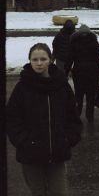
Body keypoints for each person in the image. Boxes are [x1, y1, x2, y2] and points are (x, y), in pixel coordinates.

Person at [6, 43, 82, 196]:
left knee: (59, 192)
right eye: (35, 59)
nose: (39, 63)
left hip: (57, 153)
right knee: (38, 192)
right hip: (30, 155)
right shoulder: (22, 88)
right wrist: (24, 141)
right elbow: (12, 119)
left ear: (50, 60)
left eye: (43, 59)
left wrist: (68, 138)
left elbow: (73, 116)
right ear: (29, 61)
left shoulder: (61, 85)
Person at [67, 24, 99, 123]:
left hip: (78, 71)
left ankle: (77, 114)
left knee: (79, 95)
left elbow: (70, 58)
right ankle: (90, 116)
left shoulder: (74, 43)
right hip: (93, 72)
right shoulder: (94, 42)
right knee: (91, 95)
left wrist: (66, 71)